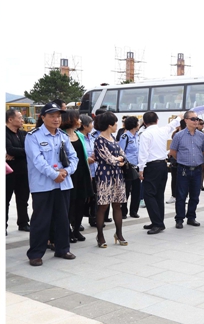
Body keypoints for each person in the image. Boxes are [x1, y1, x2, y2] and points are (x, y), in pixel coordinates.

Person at [25, 102, 78, 266]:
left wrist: (66, 172)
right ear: (43, 117)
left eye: (58, 116)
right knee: (41, 220)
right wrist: (54, 174)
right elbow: (37, 160)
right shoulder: (33, 136)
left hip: (63, 184)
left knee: (62, 219)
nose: (56, 119)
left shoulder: (63, 136)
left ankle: (62, 249)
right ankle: (36, 253)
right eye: (52, 116)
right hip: (43, 185)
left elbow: (74, 157)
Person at [92, 112, 128, 247]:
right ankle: (100, 235)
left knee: (117, 204)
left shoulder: (113, 138)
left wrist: (120, 159)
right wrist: (119, 160)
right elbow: (109, 159)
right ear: (109, 125)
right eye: (115, 123)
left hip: (117, 175)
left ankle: (119, 233)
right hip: (104, 175)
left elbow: (123, 155)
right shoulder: (99, 140)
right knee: (103, 206)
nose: (117, 125)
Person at [138, 111, 175, 234]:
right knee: (159, 194)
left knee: (149, 195)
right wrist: (179, 117)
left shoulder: (145, 134)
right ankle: (157, 221)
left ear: (144, 122)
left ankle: (157, 223)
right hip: (162, 165)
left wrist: (141, 169)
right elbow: (172, 125)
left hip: (151, 166)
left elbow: (143, 153)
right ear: (157, 120)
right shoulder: (162, 130)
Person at [170, 110, 204, 228]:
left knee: (195, 195)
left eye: (197, 119)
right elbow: (173, 152)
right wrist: (183, 159)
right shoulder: (179, 135)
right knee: (181, 195)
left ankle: (191, 217)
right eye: (193, 119)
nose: (196, 121)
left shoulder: (201, 136)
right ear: (186, 120)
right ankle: (179, 219)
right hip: (183, 169)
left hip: (197, 169)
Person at [63, 112, 93, 242]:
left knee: (81, 201)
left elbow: (84, 156)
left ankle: (76, 229)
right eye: (77, 119)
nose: (80, 121)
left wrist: (89, 173)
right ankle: (67, 230)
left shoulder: (79, 135)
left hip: (82, 172)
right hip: (69, 174)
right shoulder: (61, 135)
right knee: (70, 203)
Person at [5, 108, 31, 232]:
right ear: (10, 119)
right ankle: (3, 226)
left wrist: (17, 153)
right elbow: (9, 149)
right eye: (19, 118)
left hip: (23, 171)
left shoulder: (23, 134)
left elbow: (30, 149)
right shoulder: (5, 133)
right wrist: (22, 152)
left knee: (23, 199)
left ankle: (23, 223)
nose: (22, 120)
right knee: (6, 200)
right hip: (9, 173)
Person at [118, 116, 142, 219]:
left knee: (137, 190)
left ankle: (134, 211)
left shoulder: (138, 136)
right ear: (134, 125)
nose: (139, 125)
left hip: (136, 166)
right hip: (128, 167)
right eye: (137, 123)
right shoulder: (125, 137)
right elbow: (121, 151)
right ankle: (123, 211)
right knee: (126, 190)